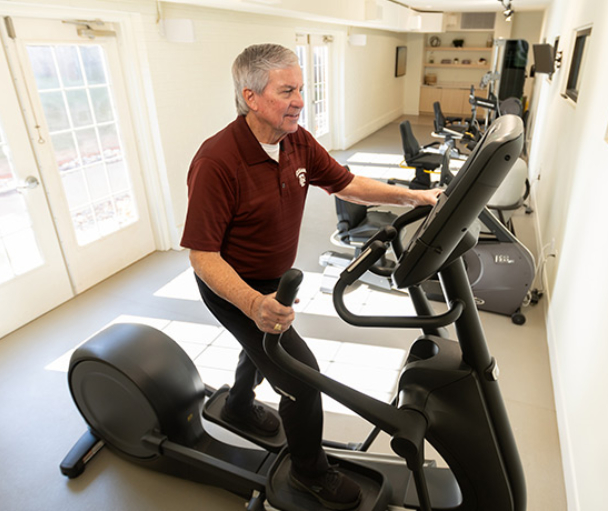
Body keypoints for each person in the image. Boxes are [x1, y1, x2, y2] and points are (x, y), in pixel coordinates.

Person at [181, 43, 440, 510]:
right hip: (233, 288)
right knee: (301, 378)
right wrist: (254, 304)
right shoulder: (217, 161)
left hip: (273, 281)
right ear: (251, 97)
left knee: (260, 350)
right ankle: (308, 472)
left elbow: (348, 184)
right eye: (287, 91)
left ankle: (239, 404)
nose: (301, 100)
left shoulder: (296, 139)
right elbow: (203, 256)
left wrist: (415, 198)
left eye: (301, 88)